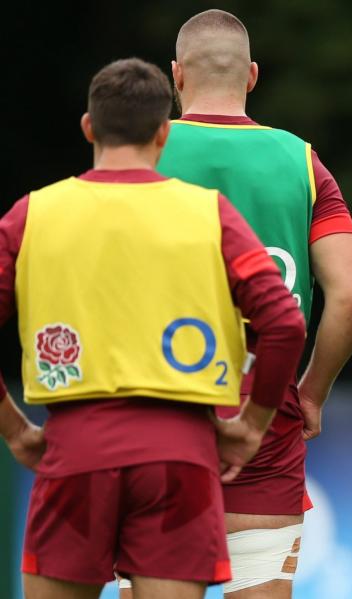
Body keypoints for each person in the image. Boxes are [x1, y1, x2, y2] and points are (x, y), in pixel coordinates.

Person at [0, 58, 305, 599]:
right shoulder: (209, 213)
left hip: (76, 446)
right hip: (180, 454)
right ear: (163, 133)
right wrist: (252, 424)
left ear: (89, 128)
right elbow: (284, 321)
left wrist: (16, 429)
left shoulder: (33, 214)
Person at [118, 9, 352, 599]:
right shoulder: (302, 161)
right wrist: (310, 392)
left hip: (156, 411)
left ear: (175, 76)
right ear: (252, 75)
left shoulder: (139, 156)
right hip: (261, 415)